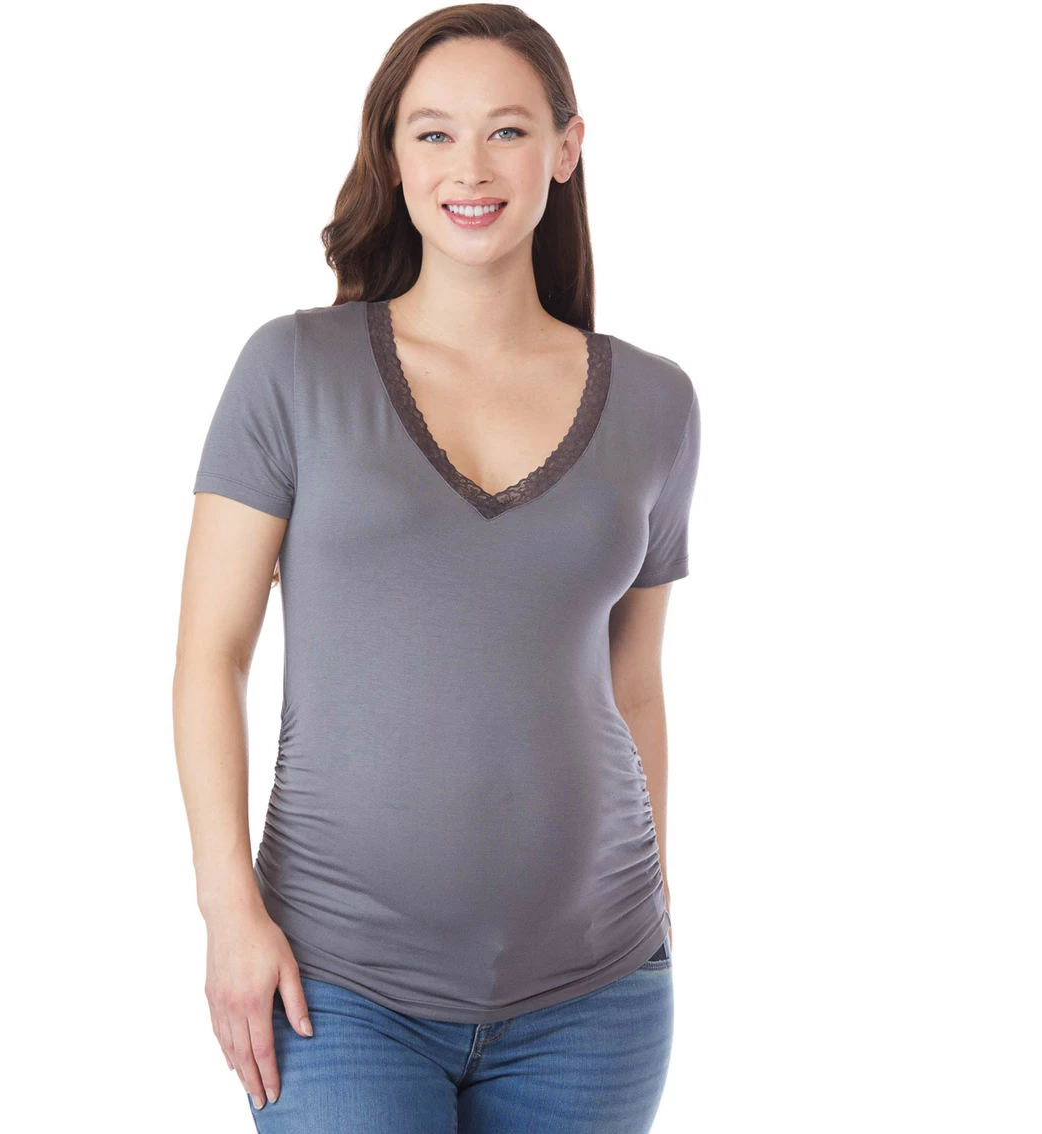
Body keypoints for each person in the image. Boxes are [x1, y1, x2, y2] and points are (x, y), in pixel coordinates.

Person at [173, 5, 701, 1131]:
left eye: (508, 131)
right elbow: (211, 656)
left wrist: (657, 896)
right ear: (393, 154)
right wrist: (229, 911)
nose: (472, 167)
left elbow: (636, 681)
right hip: (335, 984)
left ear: (565, 149)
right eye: (434, 133)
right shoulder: (292, 371)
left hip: (598, 992)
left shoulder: (657, 403)